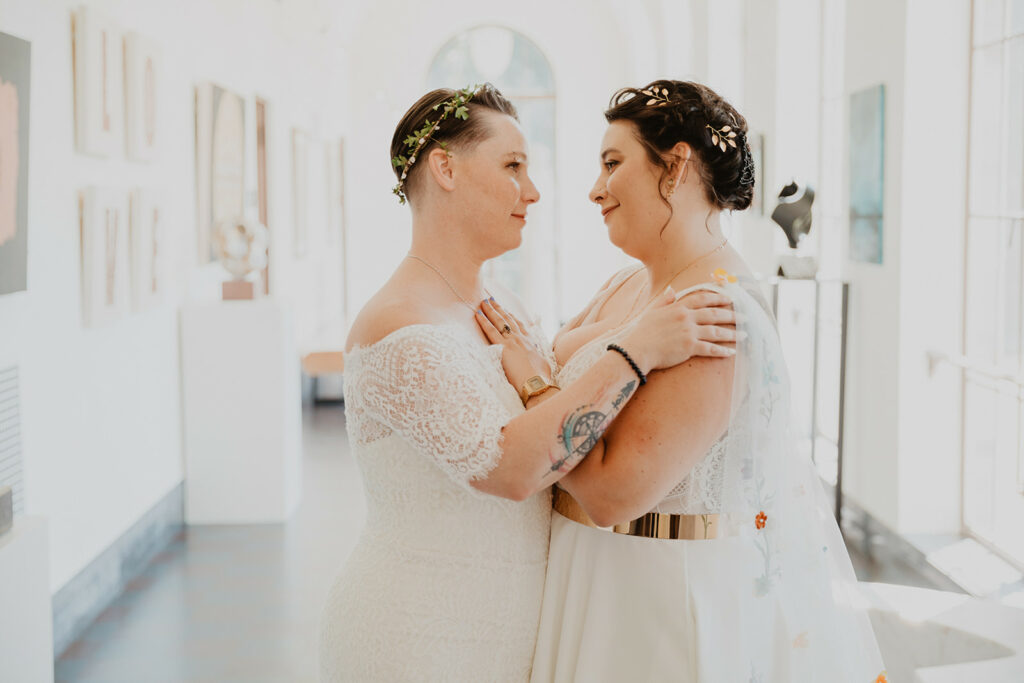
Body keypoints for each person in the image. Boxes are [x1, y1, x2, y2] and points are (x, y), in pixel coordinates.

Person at [317, 84, 738, 682]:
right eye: (513, 166)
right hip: (420, 634)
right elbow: (513, 468)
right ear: (445, 168)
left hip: (515, 631)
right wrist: (638, 349)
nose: (533, 192)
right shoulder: (399, 322)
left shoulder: (501, 304)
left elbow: (557, 385)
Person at [486, 80, 886, 683]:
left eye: (612, 164)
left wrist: (536, 383)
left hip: (649, 600)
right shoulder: (628, 282)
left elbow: (613, 494)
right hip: (588, 573)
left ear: (674, 167)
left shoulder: (718, 314)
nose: (595, 189)